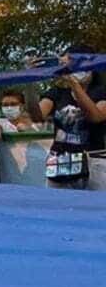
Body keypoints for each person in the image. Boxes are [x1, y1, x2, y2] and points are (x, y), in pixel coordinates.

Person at [32, 45, 106, 189]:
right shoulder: (57, 92)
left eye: (78, 63)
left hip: (94, 161)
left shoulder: (101, 92)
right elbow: (36, 116)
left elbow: (96, 117)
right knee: (58, 207)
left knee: (97, 208)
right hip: (60, 161)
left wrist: (74, 85)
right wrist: (30, 82)